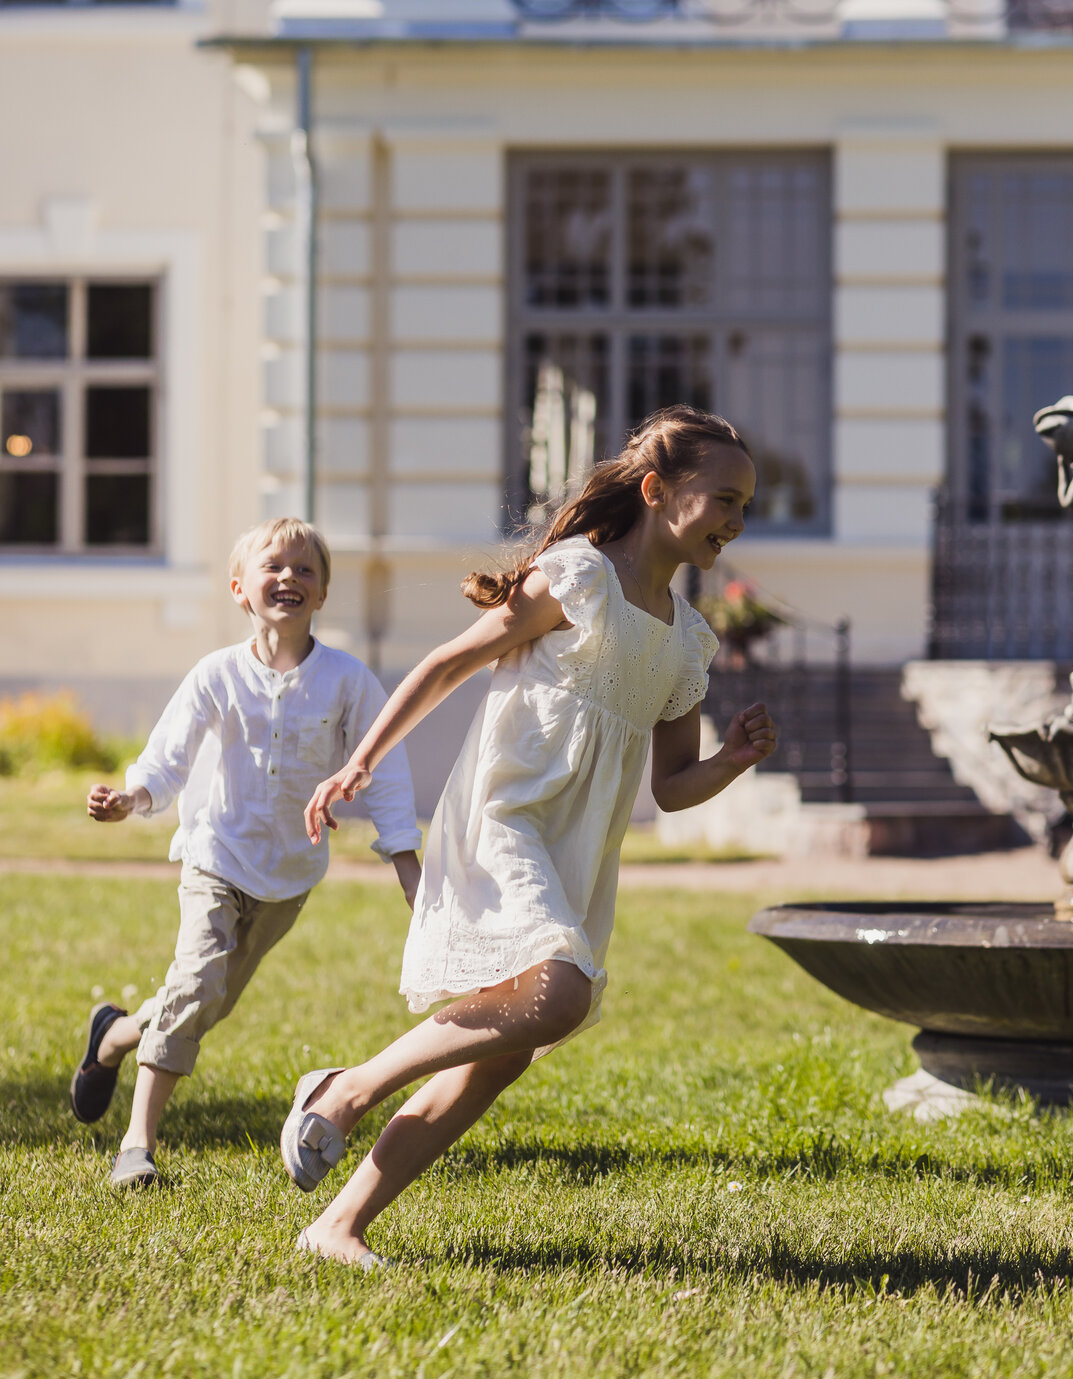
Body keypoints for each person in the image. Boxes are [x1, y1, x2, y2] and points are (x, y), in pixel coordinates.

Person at [279, 405, 777, 1267]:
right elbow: (447, 663)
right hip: (506, 816)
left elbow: (671, 785)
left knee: (501, 1056)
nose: (735, 522)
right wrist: (358, 762)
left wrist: (729, 762)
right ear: (656, 491)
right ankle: (346, 1086)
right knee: (561, 996)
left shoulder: (687, 641)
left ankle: (339, 1225)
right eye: (724, 500)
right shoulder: (577, 577)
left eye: (746, 507)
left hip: (578, 852)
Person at [70, 517, 422, 1189]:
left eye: (305, 570)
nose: (288, 577)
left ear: (322, 594)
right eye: (273, 567)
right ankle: (135, 1147)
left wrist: (405, 859)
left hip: (288, 877)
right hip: (215, 855)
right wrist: (131, 798)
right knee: (197, 984)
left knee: (205, 1001)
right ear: (240, 588)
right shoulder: (216, 675)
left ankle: (114, 1037)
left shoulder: (348, 682)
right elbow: (167, 759)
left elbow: (386, 771)